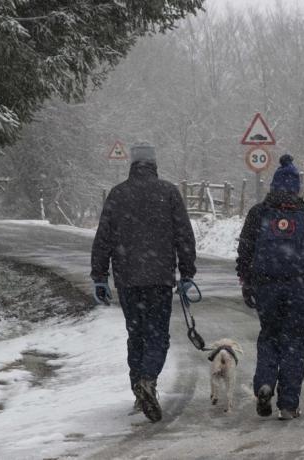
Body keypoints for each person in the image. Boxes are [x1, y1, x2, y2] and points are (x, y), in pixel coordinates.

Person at [91, 141, 196, 423]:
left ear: (132, 165)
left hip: (127, 279)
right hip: (159, 278)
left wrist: (100, 277)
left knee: (136, 334)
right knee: (157, 335)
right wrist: (187, 274)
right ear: (154, 164)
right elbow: (184, 236)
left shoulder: (118, 194)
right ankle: (148, 379)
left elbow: (103, 239)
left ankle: (139, 388)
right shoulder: (168, 193)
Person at [236, 154, 304, 420]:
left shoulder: (258, 213)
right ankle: (288, 404)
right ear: (296, 188)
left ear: (274, 187)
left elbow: (245, 251)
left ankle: (265, 382)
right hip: (298, 287)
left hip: (266, 286)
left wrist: (246, 282)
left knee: (269, 336)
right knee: (294, 343)